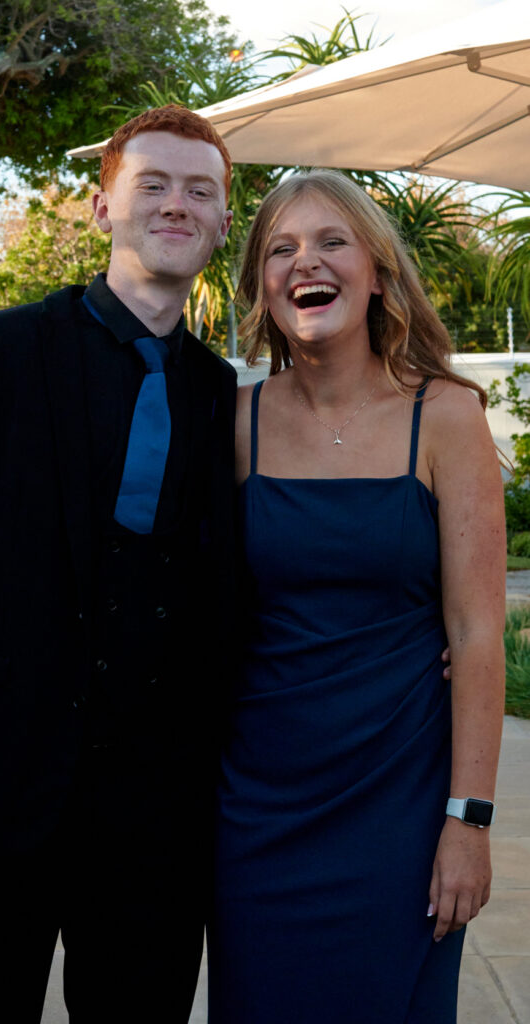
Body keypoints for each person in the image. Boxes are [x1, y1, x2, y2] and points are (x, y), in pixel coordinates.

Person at [0, 105, 237, 1024]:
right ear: (102, 207)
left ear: (224, 222)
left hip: (156, 819)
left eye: (200, 191)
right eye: (152, 183)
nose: (176, 204)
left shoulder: (222, 392)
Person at [207, 170, 506, 1024]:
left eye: (331, 242)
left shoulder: (444, 416)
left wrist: (468, 823)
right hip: (255, 809)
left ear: (376, 272)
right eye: (281, 249)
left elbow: (476, 634)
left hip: (399, 805)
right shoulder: (230, 423)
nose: (306, 262)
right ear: (262, 288)